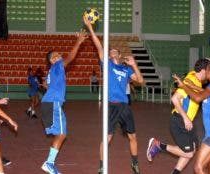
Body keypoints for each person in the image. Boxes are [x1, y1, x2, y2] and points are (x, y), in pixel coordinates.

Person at [83, 16, 145, 174]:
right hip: (111, 105)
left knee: (133, 137)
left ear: (119, 55)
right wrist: (90, 28)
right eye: (109, 51)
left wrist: (134, 64)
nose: (111, 52)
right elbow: (98, 45)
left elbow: (140, 80)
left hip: (124, 106)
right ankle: (102, 165)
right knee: (107, 138)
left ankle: (135, 164)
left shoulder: (126, 69)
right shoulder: (108, 64)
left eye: (114, 51)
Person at [146, 58, 210, 174]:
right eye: (209, 69)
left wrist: (208, 61)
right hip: (180, 120)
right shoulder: (190, 80)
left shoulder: (195, 77)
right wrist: (185, 119)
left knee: (192, 149)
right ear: (203, 70)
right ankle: (158, 145)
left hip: (187, 120)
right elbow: (175, 99)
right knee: (188, 152)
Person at [40, 29, 88, 174]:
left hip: (48, 103)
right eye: (55, 56)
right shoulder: (57, 65)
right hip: (53, 103)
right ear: (52, 61)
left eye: (58, 54)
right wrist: (78, 42)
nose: (59, 56)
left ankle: (49, 163)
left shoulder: (52, 72)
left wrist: (47, 85)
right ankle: (49, 163)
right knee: (61, 134)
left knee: (59, 134)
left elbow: (46, 85)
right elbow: (69, 59)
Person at [173, 59, 210, 174]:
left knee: (198, 168)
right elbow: (206, 93)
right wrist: (194, 86)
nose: (205, 71)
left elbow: (198, 98)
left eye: (207, 69)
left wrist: (183, 85)